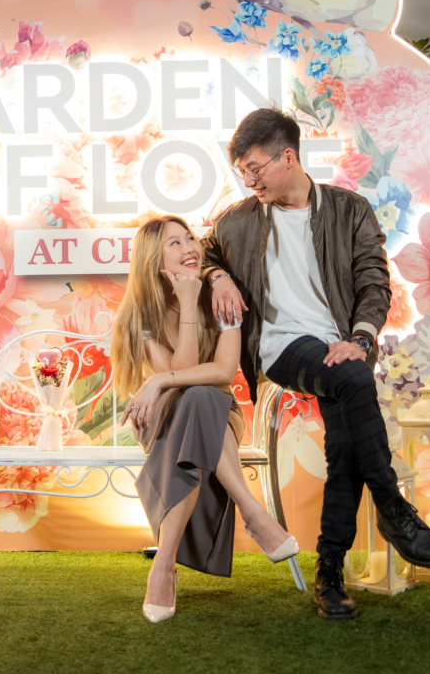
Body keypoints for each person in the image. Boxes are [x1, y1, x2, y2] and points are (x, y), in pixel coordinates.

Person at [201, 107, 430, 621]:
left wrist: (359, 338)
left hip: (341, 346)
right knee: (354, 380)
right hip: (281, 347)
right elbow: (203, 252)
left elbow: (373, 282)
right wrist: (215, 277)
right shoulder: (238, 221)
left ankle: (330, 576)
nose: (248, 180)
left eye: (255, 168)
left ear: (287, 157)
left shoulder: (349, 210)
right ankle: (394, 508)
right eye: (241, 171)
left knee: (346, 445)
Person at [112, 216, 299, 624]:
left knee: (202, 397)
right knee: (193, 397)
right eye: (174, 244)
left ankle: (163, 564)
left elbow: (222, 372)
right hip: (163, 420)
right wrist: (189, 302)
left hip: (218, 412)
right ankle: (252, 511)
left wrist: (159, 378)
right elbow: (185, 373)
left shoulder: (225, 298)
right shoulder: (142, 313)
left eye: (190, 238)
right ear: (154, 260)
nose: (190, 248)